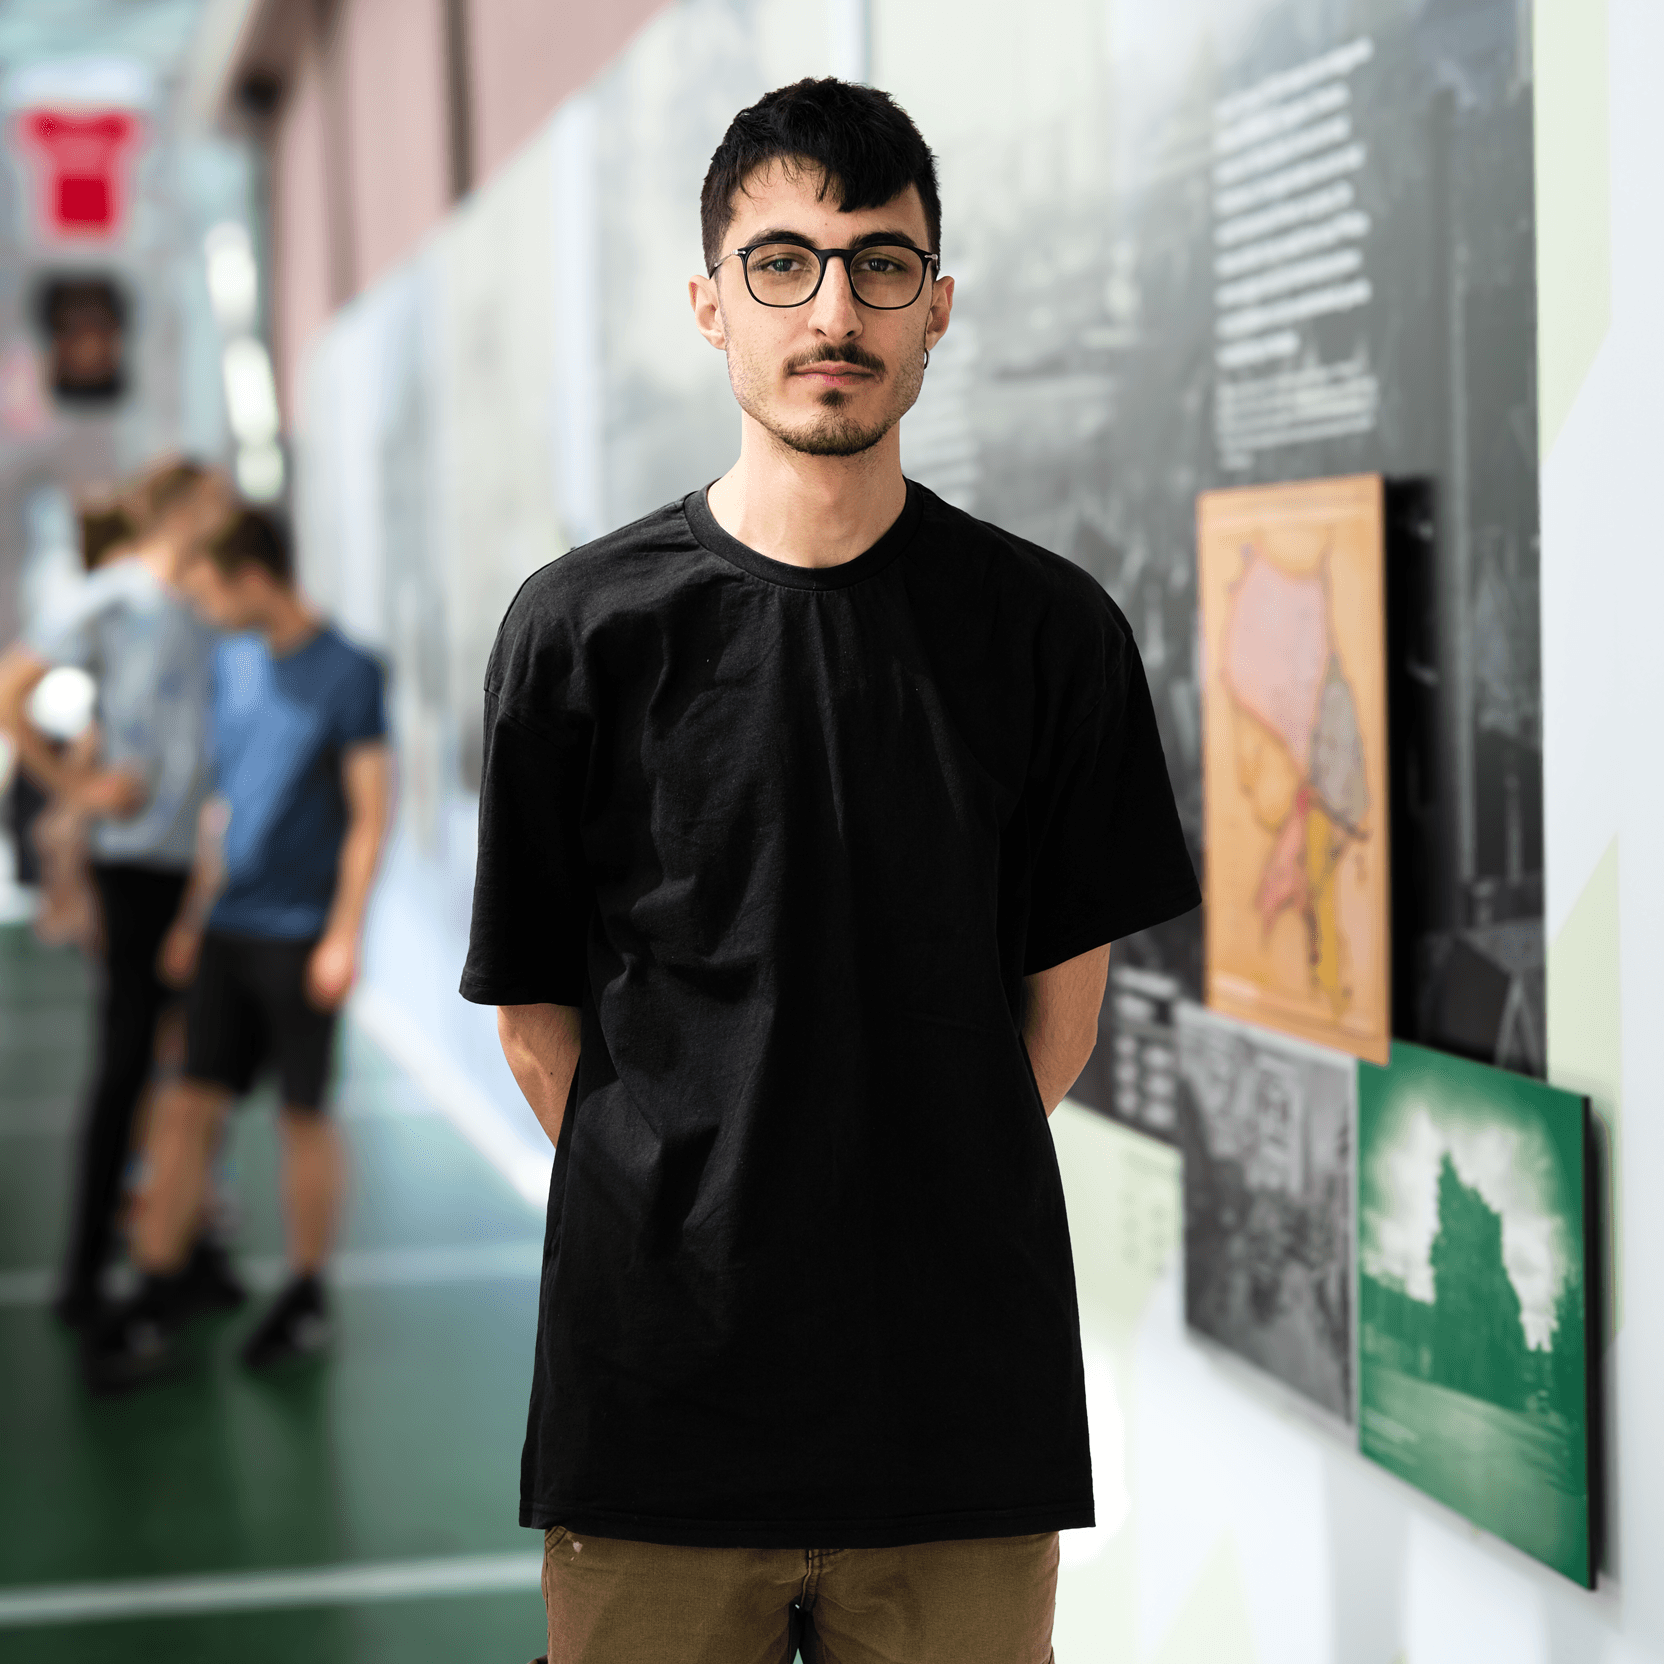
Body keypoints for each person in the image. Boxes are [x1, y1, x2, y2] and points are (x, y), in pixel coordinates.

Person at [461, 77, 1201, 1664]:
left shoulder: (1052, 635)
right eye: (784, 263)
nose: (834, 312)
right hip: (658, 1402)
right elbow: (536, 1028)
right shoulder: (579, 633)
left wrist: (903, 1210)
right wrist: (701, 1223)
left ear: (939, 306)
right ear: (710, 306)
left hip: (958, 1410)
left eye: (880, 264)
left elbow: (1057, 1025)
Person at [86, 507, 391, 1390]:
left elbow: (369, 816)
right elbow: (223, 808)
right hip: (227, 928)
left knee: (302, 1116)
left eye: (210, 591)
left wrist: (344, 934)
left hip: (300, 938)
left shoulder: (349, 671)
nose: (204, 608)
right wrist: (192, 919)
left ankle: (305, 1293)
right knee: (187, 1106)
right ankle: (154, 1289)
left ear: (253, 576)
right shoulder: (232, 663)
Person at [0, 460, 236, 1328]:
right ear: (176, 511)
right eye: (212, 505)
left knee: (197, 1062)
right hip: (135, 863)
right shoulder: (111, 597)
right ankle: (85, 1273)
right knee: (130, 1060)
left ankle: (185, 1245)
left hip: (205, 868)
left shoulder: (213, 602)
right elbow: (11, 689)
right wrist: (78, 788)